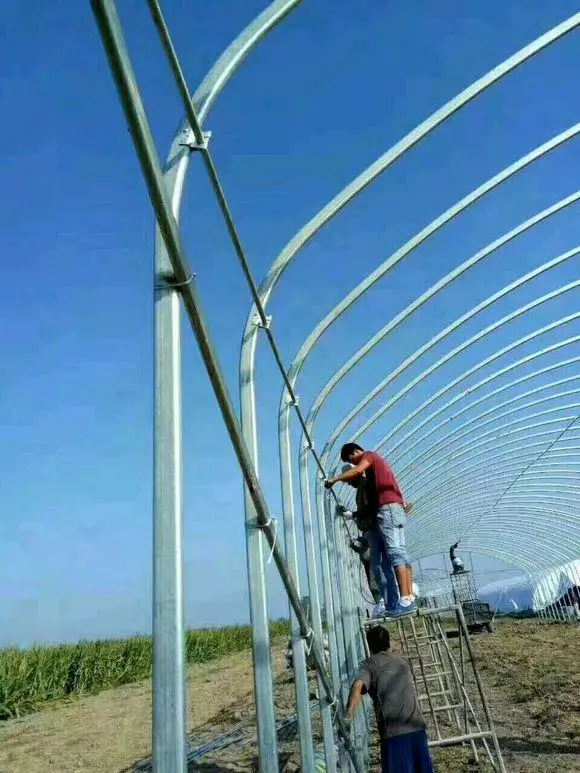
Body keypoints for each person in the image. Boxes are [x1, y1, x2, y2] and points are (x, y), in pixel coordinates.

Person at [326, 443, 416, 617]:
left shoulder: (369, 457)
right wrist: (402, 502)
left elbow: (358, 471)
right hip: (384, 514)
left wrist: (334, 480)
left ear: (355, 452)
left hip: (386, 512)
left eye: (351, 459)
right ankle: (397, 602)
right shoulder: (373, 478)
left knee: (395, 553)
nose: (354, 465)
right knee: (388, 559)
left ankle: (406, 599)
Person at [344, 626, 434, 773]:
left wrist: (348, 716)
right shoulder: (403, 661)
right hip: (417, 729)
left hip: (394, 734)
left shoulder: (370, 664)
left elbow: (358, 686)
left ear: (369, 645)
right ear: (388, 642)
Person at [339, 462, 399, 612]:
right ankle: (389, 602)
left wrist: (353, 514)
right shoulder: (360, 489)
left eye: (349, 480)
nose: (349, 484)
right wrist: (352, 513)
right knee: (379, 567)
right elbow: (365, 509)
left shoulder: (367, 485)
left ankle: (391, 602)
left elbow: (371, 508)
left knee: (381, 566)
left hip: (377, 528)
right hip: (372, 529)